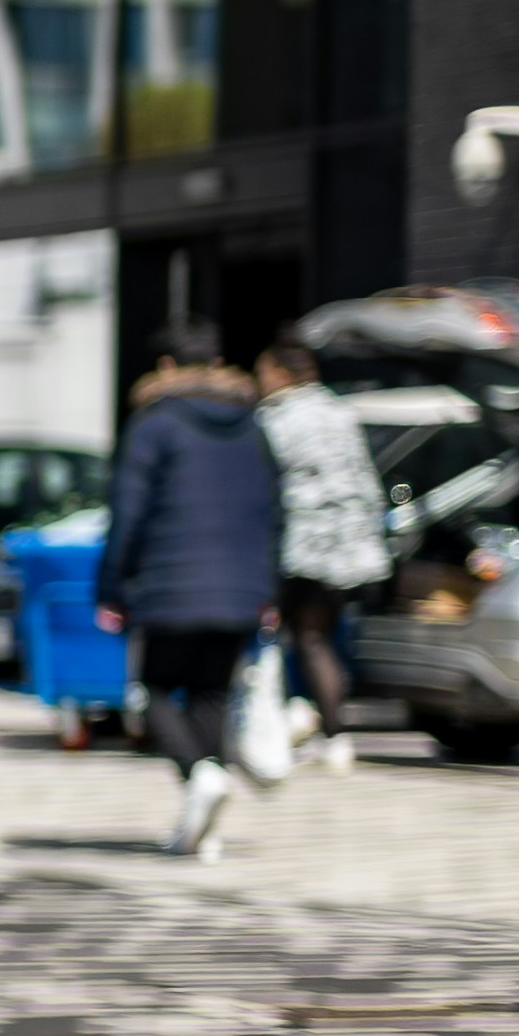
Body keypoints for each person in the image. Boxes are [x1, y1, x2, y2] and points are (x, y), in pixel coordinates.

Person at [98, 341, 280, 854]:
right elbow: (276, 512)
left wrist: (112, 585)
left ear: (165, 365)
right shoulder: (253, 427)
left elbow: (127, 513)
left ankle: (200, 776)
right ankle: (205, 827)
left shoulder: (154, 424)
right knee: (211, 695)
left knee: (152, 689)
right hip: (242, 589)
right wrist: (270, 588)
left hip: (169, 585)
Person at [257, 332, 387, 760]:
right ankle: (332, 734)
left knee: (294, 637)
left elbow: (264, 483)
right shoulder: (339, 411)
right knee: (320, 637)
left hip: (301, 543)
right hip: (349, 546)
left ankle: (295, 725)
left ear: (280, 374)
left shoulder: (277, 418)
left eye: (264, 374)